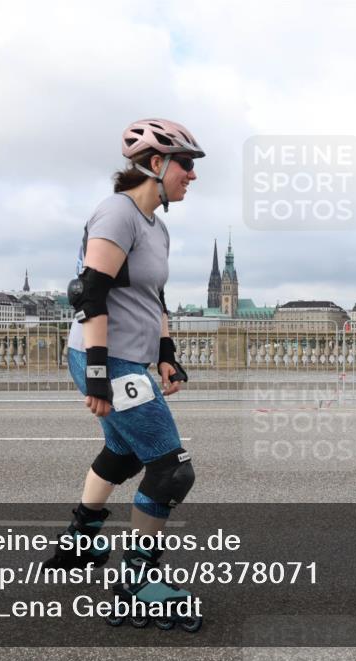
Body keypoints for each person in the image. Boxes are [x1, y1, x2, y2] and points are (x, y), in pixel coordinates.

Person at [47, 119, 203, 631]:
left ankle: (81, 540)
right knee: (171, 469)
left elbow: (153, 298)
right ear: (156, 164)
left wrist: (166, 352)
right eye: (186, 164)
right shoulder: (117, 213)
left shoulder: (157, 226)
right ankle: (136, 582)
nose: (192, 176)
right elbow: (89, 293)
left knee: (125, 451)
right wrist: (97, 372)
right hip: (106, 357)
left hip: (129, 359)